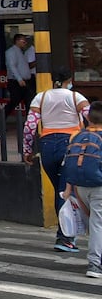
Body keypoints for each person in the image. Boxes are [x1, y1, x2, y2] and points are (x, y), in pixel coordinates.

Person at [24, 65, 89, 253]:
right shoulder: (76, 97)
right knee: (66, 191)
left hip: (47, 147)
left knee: (59, 189)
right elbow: (91, 118)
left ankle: (66, 233)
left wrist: (27, 150)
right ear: (70, 79)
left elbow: (29, 127)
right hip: (70, 145)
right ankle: (65, 237)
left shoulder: (41, 97)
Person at [64, 104, 102, 278]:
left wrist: (68, 190)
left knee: (94, 224)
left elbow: (69, 162)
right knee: (97, 224)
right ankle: (94, 264)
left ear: (88, 118)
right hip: (99, 186)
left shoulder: (76, 136)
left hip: (80, 187)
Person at [5, 34, 35, 118]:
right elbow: (12, 66)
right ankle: (1, 119)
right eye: (23, 41)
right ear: (17, 41)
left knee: (29, 101)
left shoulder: (22, 52)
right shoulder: (11, 52)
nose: (25, 43)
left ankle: (30, 122)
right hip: (16, 82)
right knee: (14, 101)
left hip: (26, 81)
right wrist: (19, 79)